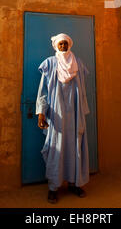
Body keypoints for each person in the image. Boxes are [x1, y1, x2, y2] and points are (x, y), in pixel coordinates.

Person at [36, 33, 91, 204]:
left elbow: (82, 90)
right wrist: (41, 113)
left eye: (65, 44)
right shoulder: (50, 64)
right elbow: (43, 90)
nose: (63, 47)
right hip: (57, 116)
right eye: (60, 44)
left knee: (75, 146)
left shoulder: (78, 63)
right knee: (56, 148)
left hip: (75, 114)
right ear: (55, 46)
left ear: (69, 45)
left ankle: (75, 184)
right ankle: (53, 188)